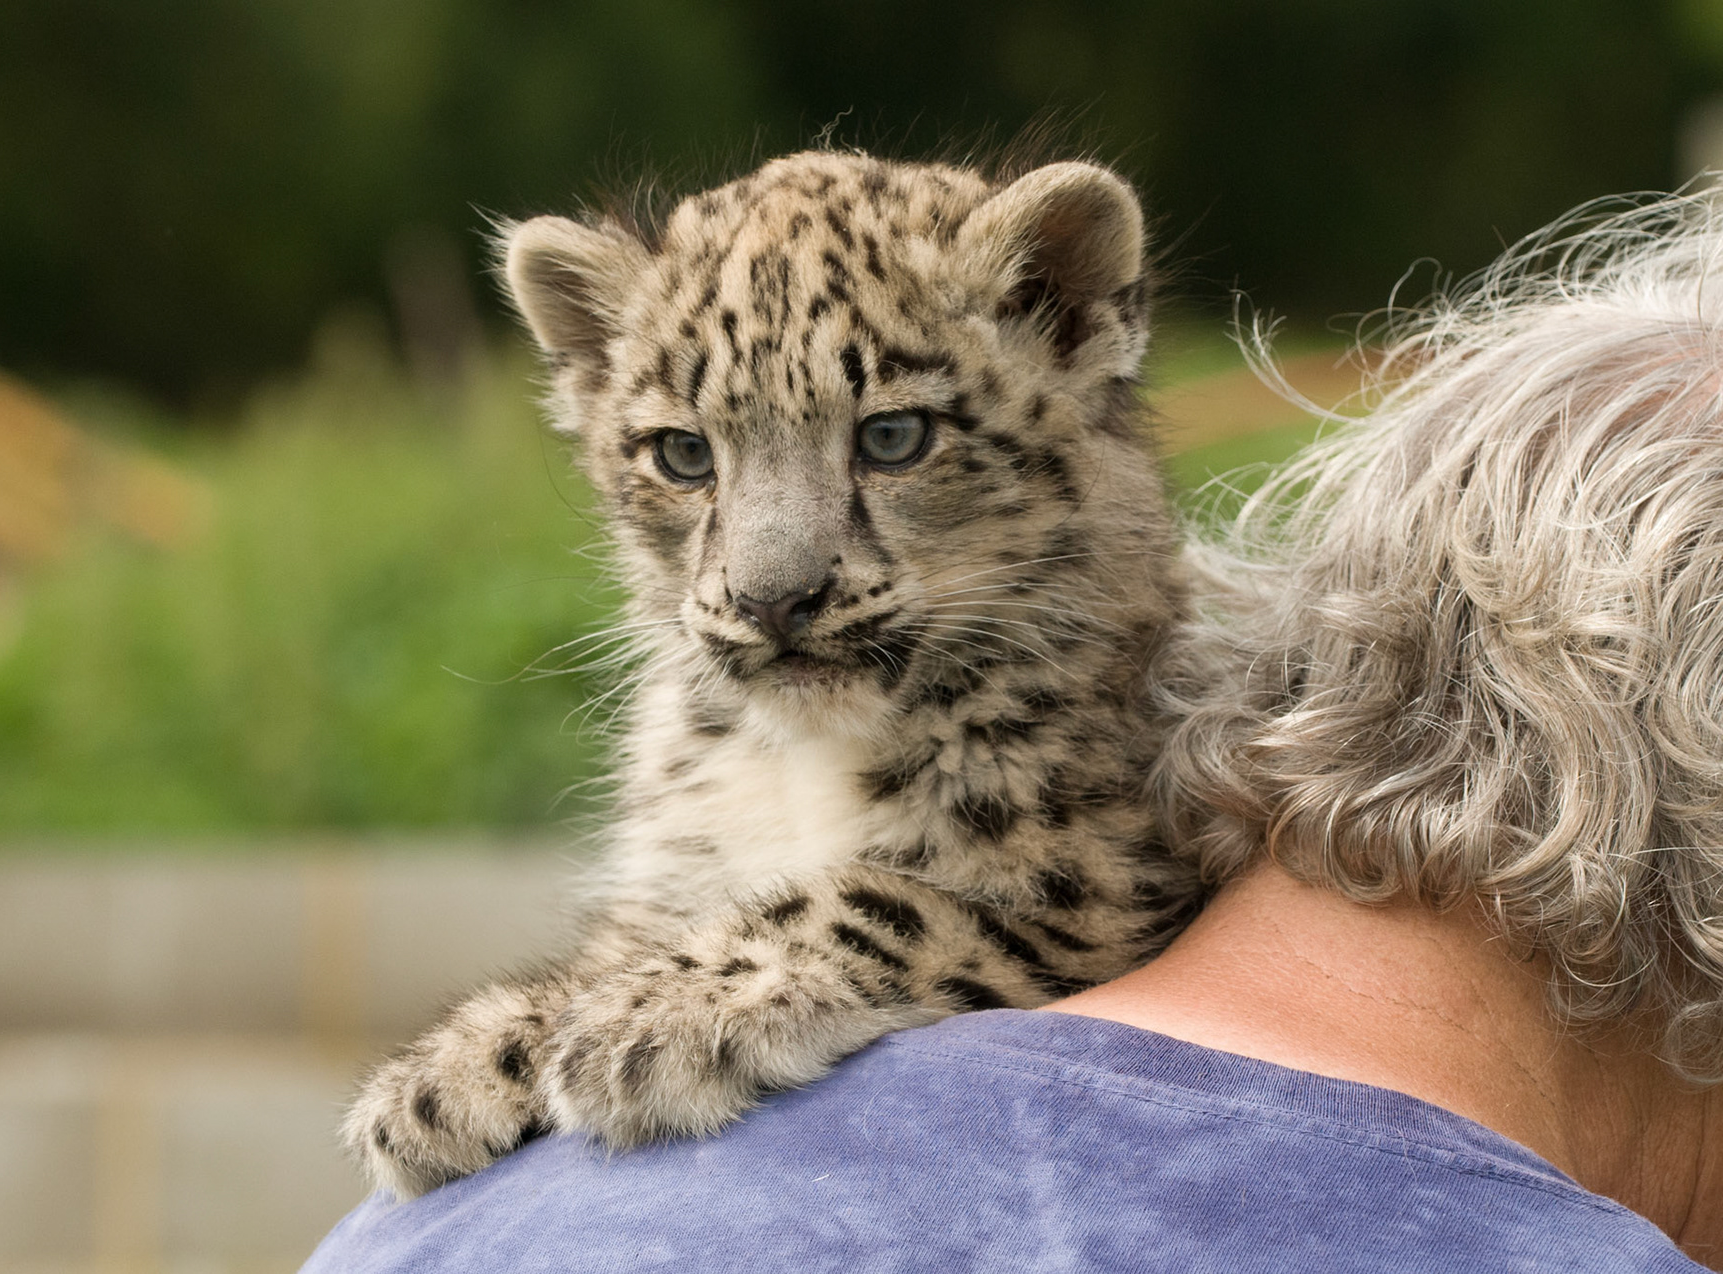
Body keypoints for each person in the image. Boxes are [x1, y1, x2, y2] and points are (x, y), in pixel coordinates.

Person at [300, 194, 1723, 1272]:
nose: (769, 573)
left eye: (895, 438)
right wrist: (548, 1021)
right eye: (687, 458)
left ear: (1067, 321)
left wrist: (809, 957)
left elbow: (1081, 913)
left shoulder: (1096, 655)